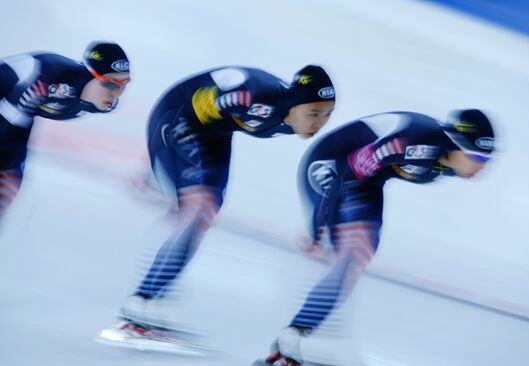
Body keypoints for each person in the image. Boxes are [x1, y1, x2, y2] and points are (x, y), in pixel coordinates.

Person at [104, 65, 336, 342]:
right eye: (313, 113)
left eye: (327, 115)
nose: (319, 124)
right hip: (178, 116)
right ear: (294, 104)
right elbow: (192, 107)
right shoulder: (254, 98)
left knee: (204, 213)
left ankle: (148, 298)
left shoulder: (289, 116)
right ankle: (139, 304)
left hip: (215, 133)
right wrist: (154, 165)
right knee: (198, 209)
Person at [260, 109, 496, 366]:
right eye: (475, 156)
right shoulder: (413, 144)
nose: (480, 167)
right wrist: (319, 227)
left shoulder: (448, 163)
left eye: (486, 160)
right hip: (332, 165)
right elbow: (348, 173)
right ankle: (293, 337)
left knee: (358, 255)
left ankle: (309, 337)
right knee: (353, 253)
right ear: (455, 144)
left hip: (366, 181)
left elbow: (373, 175)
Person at [0, 41, 131, 219]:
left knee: (8, 187)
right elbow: (9, 127)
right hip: (9, 103)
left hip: (19, 115)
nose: (116, 93)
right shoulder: (47, 81)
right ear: (89, 74)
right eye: (110, 84)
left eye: (124, 84)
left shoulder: (106, 104)